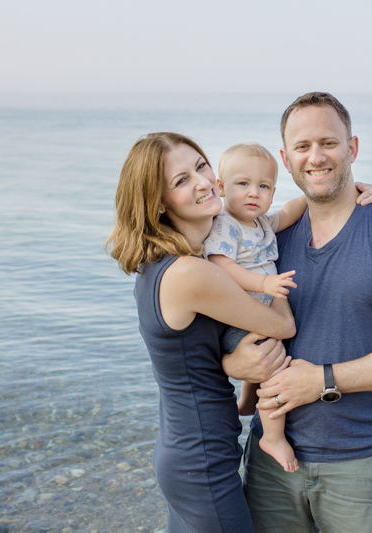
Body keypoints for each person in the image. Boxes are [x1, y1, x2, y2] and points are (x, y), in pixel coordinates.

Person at [242, 92, 372, 533]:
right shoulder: (267, 239)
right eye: (302, 147)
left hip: (359, 464)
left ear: (352, 148)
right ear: (285, 158)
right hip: (269, 462)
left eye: (328, 143)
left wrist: (321, 381)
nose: (315, 157)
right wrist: (234, 363)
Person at [106, 132, 295, 533]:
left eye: (201, 166)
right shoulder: (192, 272)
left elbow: (186, 355)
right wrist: (271, 276)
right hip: (200, 461)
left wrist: (230, 362)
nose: (204, 182)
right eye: (181, 180)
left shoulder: (163, 263)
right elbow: (283, 326)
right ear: (157, 202)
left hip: (189, 451)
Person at [202, 142, 372, 474]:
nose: (253, 193)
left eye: (264, 186)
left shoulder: (259, 223)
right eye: (242, 184)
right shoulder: (226, 224)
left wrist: (348, 186)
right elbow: (220, 264)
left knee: (268, 351)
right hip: (240, 316)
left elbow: (288, 212)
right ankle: (272, 436)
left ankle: (246, 400)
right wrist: (263, 285)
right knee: (276, 368)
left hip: (257, 315)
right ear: (221, 187)